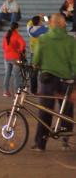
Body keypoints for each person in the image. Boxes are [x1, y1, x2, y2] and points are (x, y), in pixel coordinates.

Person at [32, 13, 76, 152]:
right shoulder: (71, 41)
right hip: (66, 82)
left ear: (51, 23)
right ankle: (65, 141)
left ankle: (40, 143)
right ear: (63, 24)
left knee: (45, 111)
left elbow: (36, 60)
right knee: (66, 112)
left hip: (48, 81)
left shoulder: (43, 39)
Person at [2, 23, 25, 97]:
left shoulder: (6, 35)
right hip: (15, 57)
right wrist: (19, 51)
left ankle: (6, 91)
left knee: (7, 74)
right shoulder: (17, 35)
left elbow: (3, 46)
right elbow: (23, 44)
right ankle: (17, 92)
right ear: (16, 28)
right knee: (16, 75)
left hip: (6, 57)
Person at [26, 16, 48, 94]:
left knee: (33, 73)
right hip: (42, 54)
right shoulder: (44, 29)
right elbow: (49, 24)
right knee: (45, 72)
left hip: (33, 54)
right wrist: (45, 17)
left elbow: (29, 23)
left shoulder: (30, 30)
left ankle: (33, 90)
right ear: (39, 22)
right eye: (41, 21)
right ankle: (45, 90)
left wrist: (37, 18)